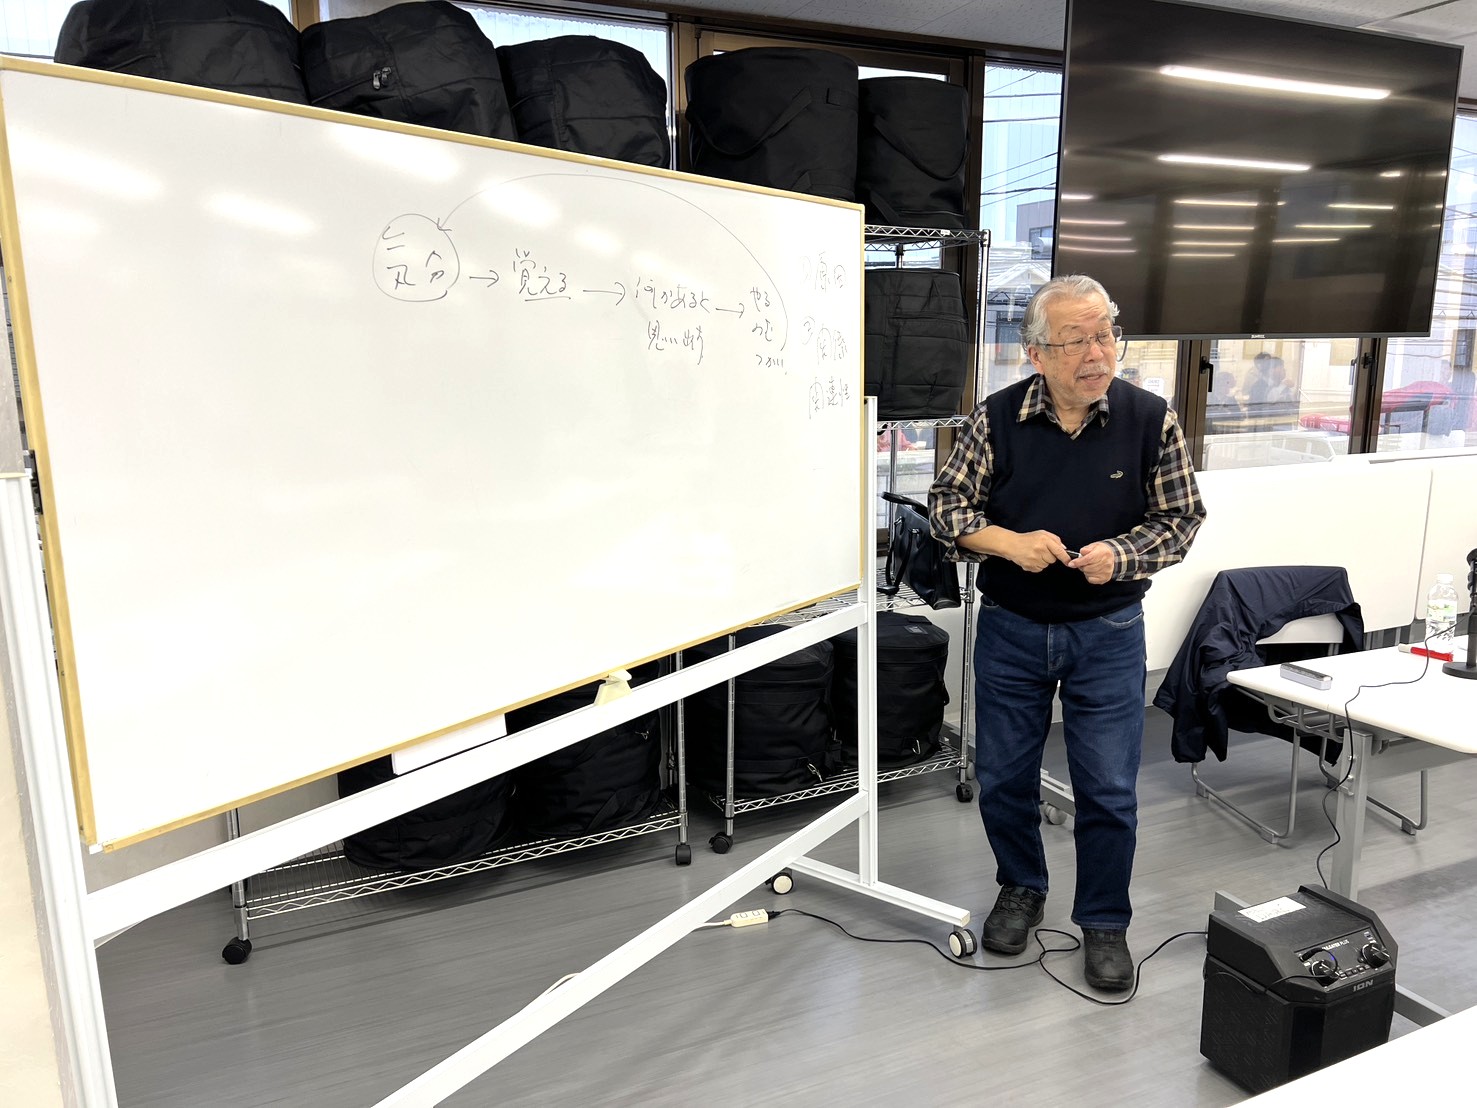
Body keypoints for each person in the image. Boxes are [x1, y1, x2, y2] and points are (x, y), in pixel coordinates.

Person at [928, 274, 1206, 991]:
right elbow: (946, 507)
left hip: (1108, 631)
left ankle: (1104, 920)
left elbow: (1180, 520)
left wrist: (1122, 555)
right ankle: (1021, 886)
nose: (1096, 353)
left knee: (1108, 787)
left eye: (1105, 334)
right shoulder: (996, 418)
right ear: (1035, 354)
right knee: (1003, 777)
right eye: (1075, 340)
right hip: (1011, 628)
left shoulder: (1151, 419)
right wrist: (1005, 542)